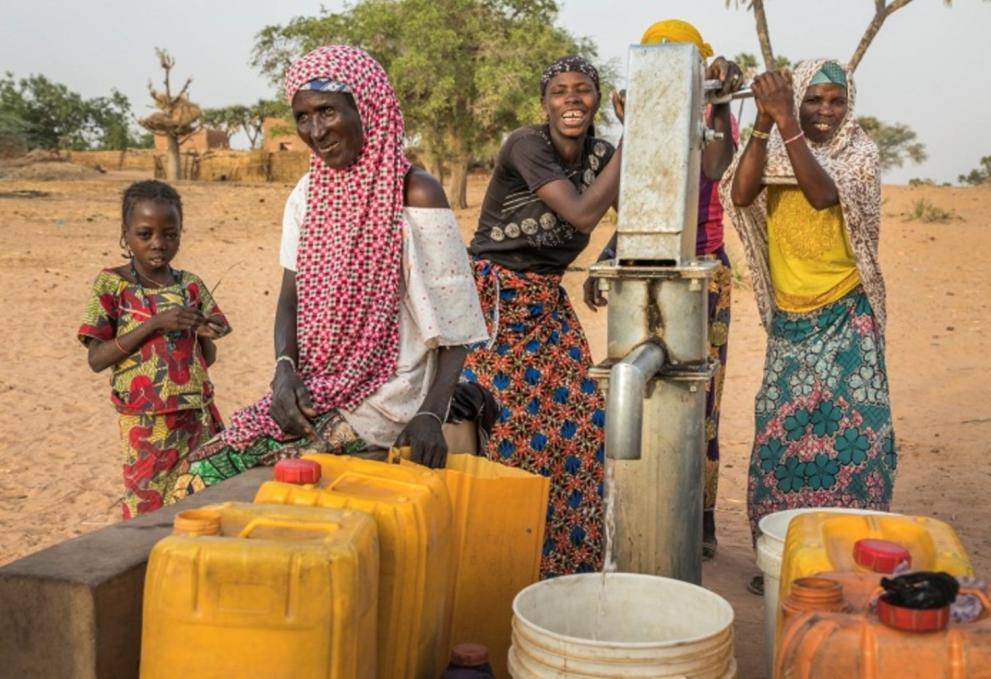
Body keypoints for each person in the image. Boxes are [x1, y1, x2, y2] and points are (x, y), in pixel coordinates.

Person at [170, 45, 487, 498]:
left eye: (327, 112)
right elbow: (290, 297)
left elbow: (457, 327)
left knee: (218, 484)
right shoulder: (307, 194)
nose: (315, 131)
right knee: (194, 474)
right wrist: (284, 372)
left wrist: (430, 414)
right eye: (303, 117)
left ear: (367, 108)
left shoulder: (415, 193)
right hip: (318, 387)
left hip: (387, 401)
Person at [720, 59, 896, 594]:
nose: (824, 111)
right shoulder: (775, 144)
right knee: (783, 443)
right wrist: (763, 124)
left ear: (850, 104)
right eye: (812, 100)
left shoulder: (860, 154)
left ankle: (848, 558)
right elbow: (742, 193)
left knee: (855, 444)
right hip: (791, 323)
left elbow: (822, 194)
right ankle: (782, 556)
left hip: (847, 315)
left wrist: (786, 123)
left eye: (835, 101)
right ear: (796, 102)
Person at [583, 19, 742, 559]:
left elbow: (716, 166)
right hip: (641, 264)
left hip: (700, 271)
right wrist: (606, 258)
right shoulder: (640, 121)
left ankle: (700, 514)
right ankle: (641, 506)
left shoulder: (709, 114)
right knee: (644, 390)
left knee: (700, 396)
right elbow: (635, 201)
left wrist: (718, 105)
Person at [462, 56, 622, 578]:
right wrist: (637, 140)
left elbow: (652, 208)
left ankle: (566, 567)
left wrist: (606, 259)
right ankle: (502, 566)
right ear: (545, 102)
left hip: (547, 301)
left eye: (582, 90)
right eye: (559, 92)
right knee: (505, 433)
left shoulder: (603, 155)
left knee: (583, 422)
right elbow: (580, 213)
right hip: (496, 301)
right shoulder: (526, 145)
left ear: (597, 99)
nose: (571, 101)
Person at [78, 180, 231, 518]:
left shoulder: (189, 284)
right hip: (145, 424)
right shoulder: (112, 285)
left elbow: (208, 357)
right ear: (126, 233)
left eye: (170, 234)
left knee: (197, 504)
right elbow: (96, 358)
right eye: (145, 234)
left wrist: (200, 328)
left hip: (197, 416)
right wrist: (154, 324)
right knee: (147, 510)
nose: (159, 244)